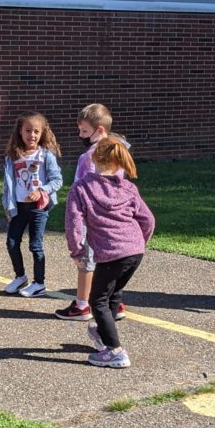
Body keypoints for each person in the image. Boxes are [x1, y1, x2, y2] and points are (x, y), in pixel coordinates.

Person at [66, 136, 155, 367]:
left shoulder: (81, 188)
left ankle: (115, 351)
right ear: (118, 162)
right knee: (114, 293)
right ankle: (101, 330)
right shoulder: (128, 187)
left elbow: (74, 224)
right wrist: (139, 243)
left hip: (111, 252)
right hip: (134, 251)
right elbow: (148, 220)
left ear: (94, 158)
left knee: (98, 300)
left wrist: (77, 251)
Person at [56, 104, 127, 322]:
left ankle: (81, 305)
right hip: (112, 217)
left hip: (90, 216)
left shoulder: (89, 158)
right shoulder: (119, 151)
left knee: (86, 262)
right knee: (107, 261)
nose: (80, 135)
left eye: (85, 131)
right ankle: (115, 301)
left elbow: (82, 188)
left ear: (100, 130)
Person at [2, 111, 63, 298]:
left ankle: (39, 283)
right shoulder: (13, 156)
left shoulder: (46, 155)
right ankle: (20, 277)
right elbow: (7, 185)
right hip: (19, 207)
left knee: (35, 245)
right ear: (20, 131)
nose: (32, 135)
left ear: (42, 133)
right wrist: (7, 205)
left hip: (38, 207)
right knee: (12, 243)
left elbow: (57, 180)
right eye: (28, 131)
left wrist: (41, 190)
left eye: (36, 131)